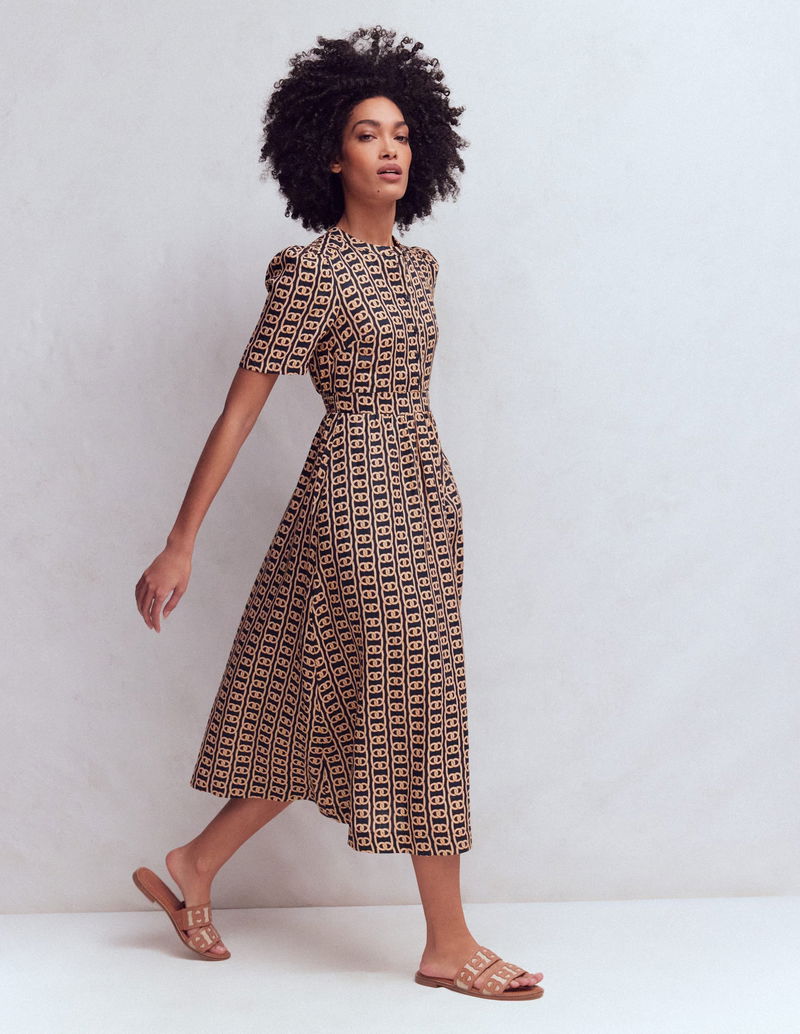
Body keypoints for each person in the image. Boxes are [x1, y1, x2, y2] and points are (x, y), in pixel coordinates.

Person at [132, 25, 543, 1001]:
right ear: (329, 155)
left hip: (423, 490)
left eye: (400, 132)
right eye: (366, 133)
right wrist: (179, 542)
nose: (389, 149)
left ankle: (194, 863)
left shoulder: (418, 269)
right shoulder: (309, 271)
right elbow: (241, 409)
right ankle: (448, 941)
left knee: (321, 708)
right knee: (420, 704)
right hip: (355, 496)